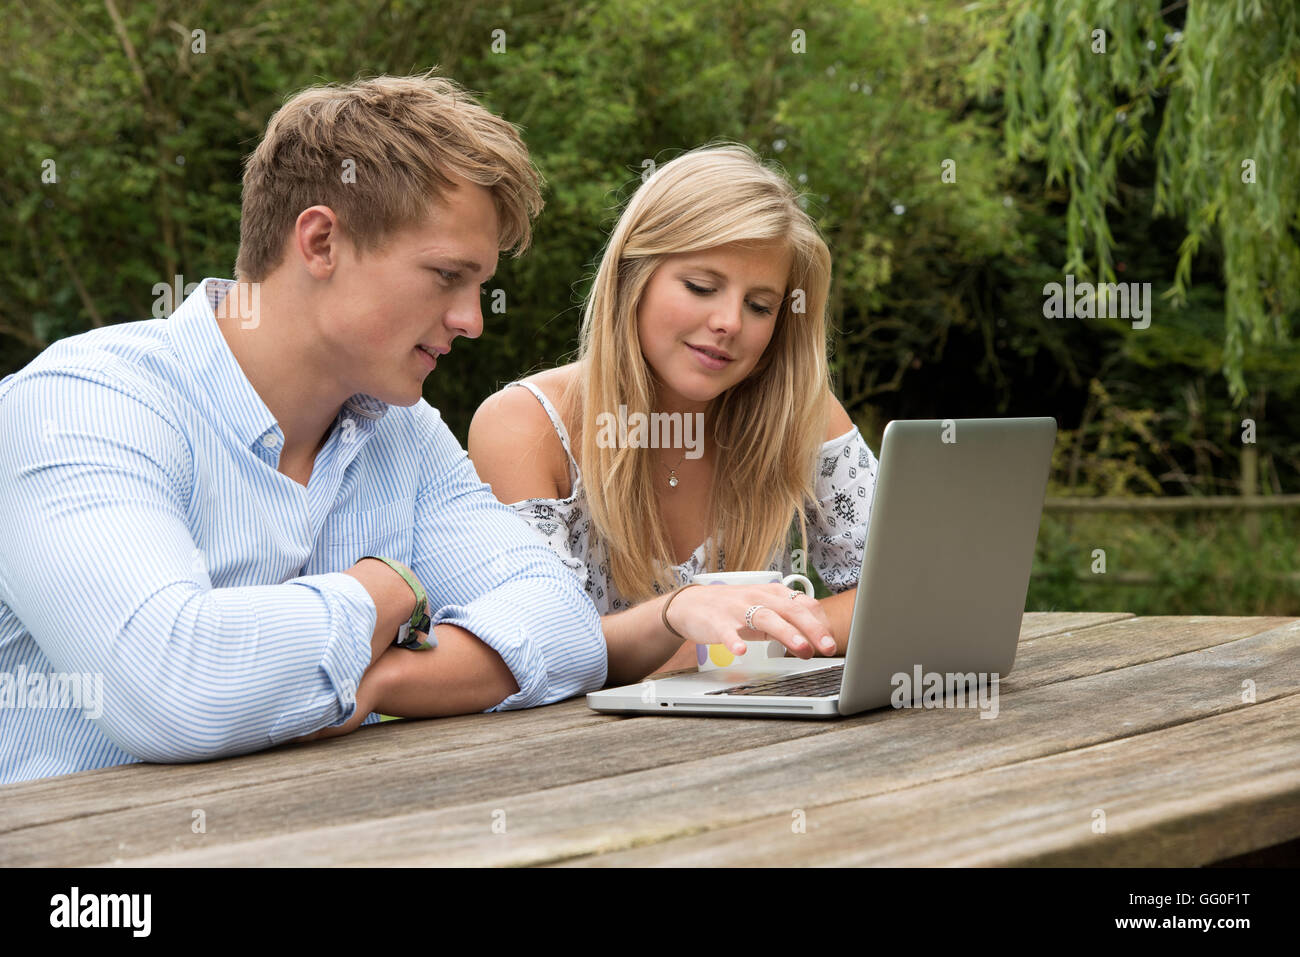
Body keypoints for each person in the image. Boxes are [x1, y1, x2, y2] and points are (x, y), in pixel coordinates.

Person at [0, 73, 607, 785]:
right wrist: (382, 591)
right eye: (447, 275)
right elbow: (166, 684)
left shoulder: (404, 432)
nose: (472, 319)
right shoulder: (82, 403)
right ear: (320, 241)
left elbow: (567, 624)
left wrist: (376, 685)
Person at [468, 144, 878, 686]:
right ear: (631, 277)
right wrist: (727, 640)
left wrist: (756, 632)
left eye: (760, 306)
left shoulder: (800, 413)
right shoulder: (526, 426)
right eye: (701, 287)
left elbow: (905, 583)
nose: (729, 321)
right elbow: (535, 645)